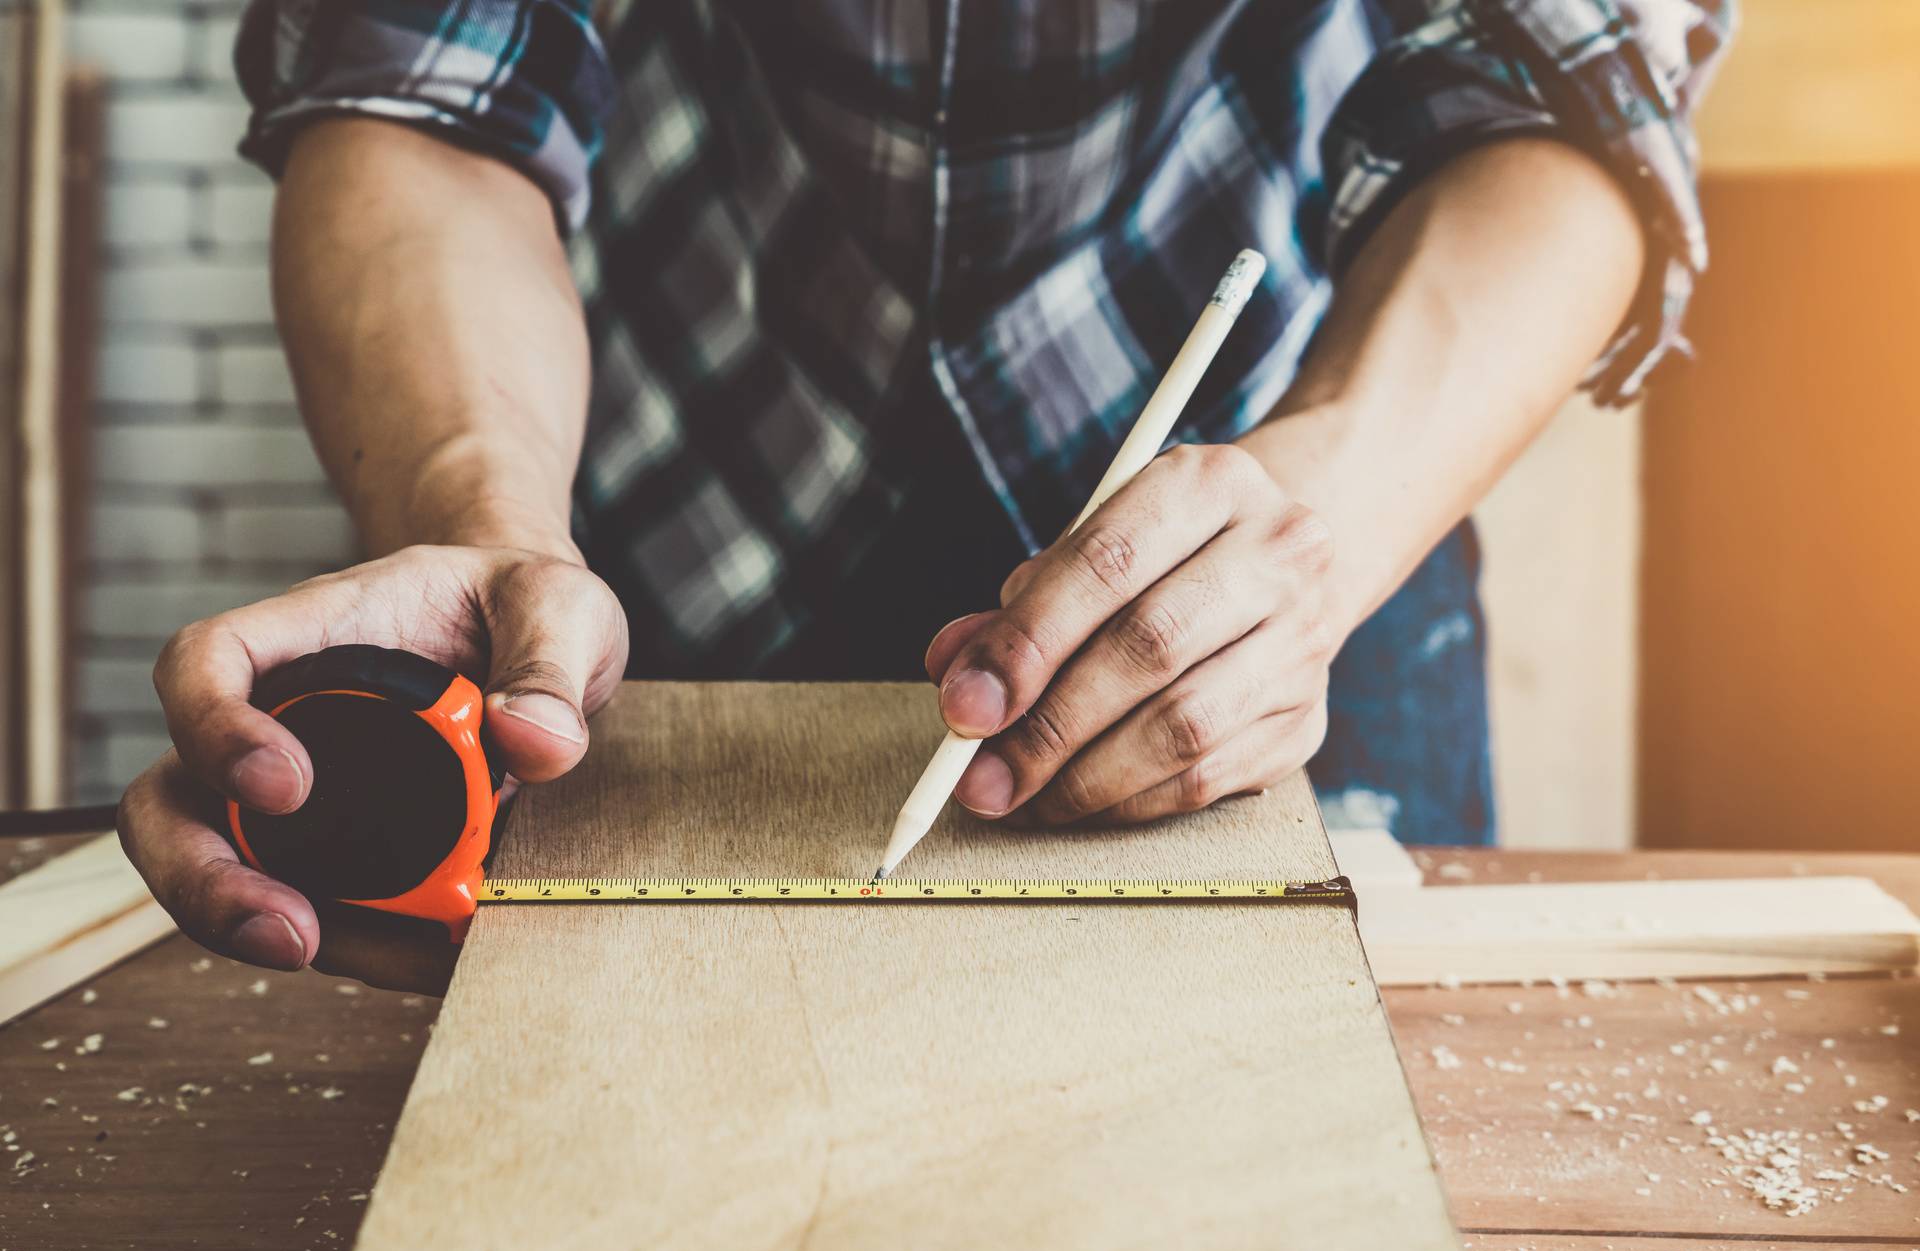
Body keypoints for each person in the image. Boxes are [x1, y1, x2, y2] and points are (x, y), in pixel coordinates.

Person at [117, 0, 1731, 986]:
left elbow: (1569, 74)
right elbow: (425, 72)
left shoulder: (1302, 530)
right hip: (694, 469)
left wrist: (1332, 514)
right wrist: (480, 509)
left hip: (1294, 502)